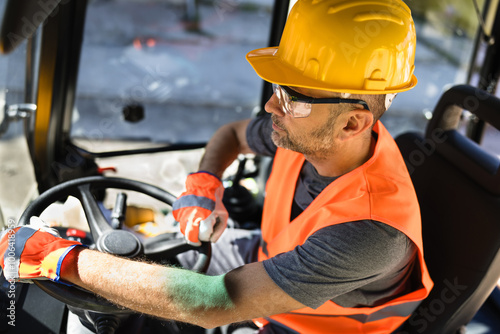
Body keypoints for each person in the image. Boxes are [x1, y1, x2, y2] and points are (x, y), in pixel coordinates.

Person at [0, 0, 433, 333]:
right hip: (264, 257)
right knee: (142, 265)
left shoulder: (372, 232)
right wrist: (205, 183)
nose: (270, 105)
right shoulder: (312, 130)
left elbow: (215, 303)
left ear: (353, 122)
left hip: (304, 325)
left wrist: (59, 259)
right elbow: (231, 135)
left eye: (291, 97)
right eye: (278, 88)